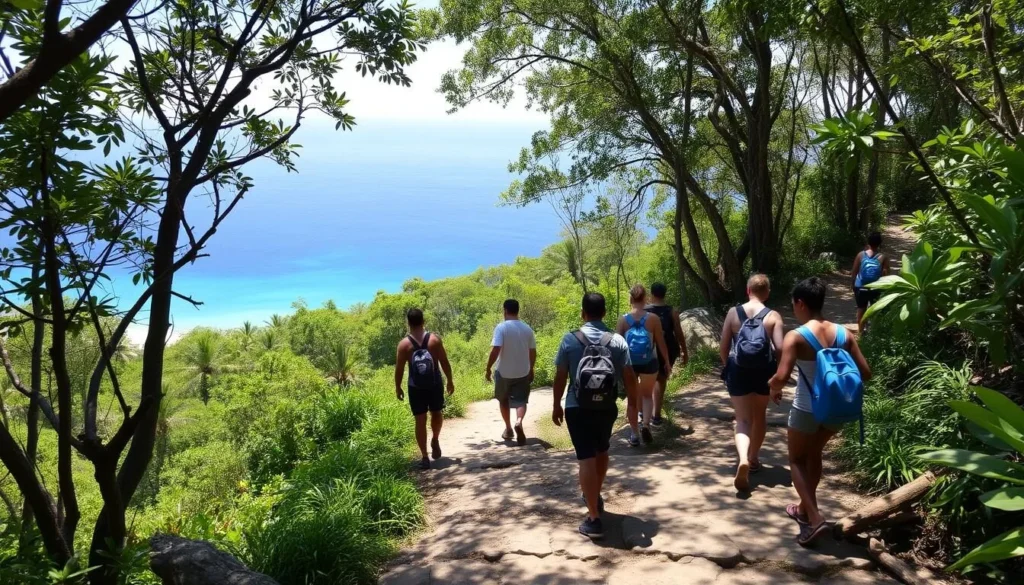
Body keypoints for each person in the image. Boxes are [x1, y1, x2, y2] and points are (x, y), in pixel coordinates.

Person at [769, 277, 872, 546]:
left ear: (801, 303)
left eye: (793, 305)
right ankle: (803, 508)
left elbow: (781, 377)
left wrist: (772, 387)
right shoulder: (844, 334)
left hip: (807, 408)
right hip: (837, 410)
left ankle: (814, 520)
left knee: (795, 460)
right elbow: (866, 373)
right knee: (814, 454)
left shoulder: (796, 337)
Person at [553, 292, 637, 539]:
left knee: (586, 459)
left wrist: (556, 404)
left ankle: (593, 517)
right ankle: (595, 495)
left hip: (576, 407)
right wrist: (633, 404)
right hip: (606, 407)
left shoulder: (569, 340)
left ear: (583, 313)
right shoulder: (618, 341)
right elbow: (630, 376)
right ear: (604, 313)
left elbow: (560, 376)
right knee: (602, 451)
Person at [719, 274, 784, 492]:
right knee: (760, 416)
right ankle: (754, 458)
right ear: (767, 293)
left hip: (738, 369)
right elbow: (781, 349)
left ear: (748, 290)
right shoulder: (774, 316)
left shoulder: (732, 313)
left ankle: (743, 458)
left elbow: (724, 346)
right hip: (764, 372)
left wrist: (727, 367)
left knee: (743, 419)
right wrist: (778, 381)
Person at [395, 308, 455, 470]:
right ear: (423, 321)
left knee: (420, 420)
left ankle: (424, 457)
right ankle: (435, 439)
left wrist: (398, 387)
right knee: (436, 412)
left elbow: (399, 369)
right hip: (435, 383)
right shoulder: (434, 340)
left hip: (415, 387)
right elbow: (444, 361)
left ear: (408, 323)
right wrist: (449, 380)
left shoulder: (404, 345)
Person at [616, 285, 670, 446]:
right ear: (645, 298)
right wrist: (666, 361)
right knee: (647, 395)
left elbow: (617, 345)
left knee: (632, 400)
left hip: (629, 364)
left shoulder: (623, 319)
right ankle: (646, 424)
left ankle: (634, 434)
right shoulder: (653, 319)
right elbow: (661, 343)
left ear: (631, 299)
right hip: (649, 362)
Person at [485, 299, 537, 445]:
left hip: (503, 372)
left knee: (503, 400)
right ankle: (519, 421)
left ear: (505, 310)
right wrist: (531, 368)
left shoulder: (501, 328)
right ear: (517, 310)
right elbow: (532, 351)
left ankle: (508, 429)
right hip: (523, 371)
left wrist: (488, 367)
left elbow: (496, 349)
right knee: (521, 400)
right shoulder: (527, 329)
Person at [646, 282, 689, 426]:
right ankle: (656, 416)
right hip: (668, 348)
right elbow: (678, 332)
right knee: (661, 380)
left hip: (647, 349)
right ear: (665, 294)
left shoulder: (645, 311)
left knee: (648, 380)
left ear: (651, 294)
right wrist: (684, 350)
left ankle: (646, 414)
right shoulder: (672, 311)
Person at [851, 231, 890, 334]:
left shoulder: (860, 255)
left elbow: (854, 271)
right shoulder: (883, 257)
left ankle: (860, 332)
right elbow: (886, 274)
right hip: (875, 288)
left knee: (861, 308)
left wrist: (853, 285)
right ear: (880, 243)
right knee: (875, 310)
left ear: (868, 242)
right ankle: (873, 333)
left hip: (860, 286)